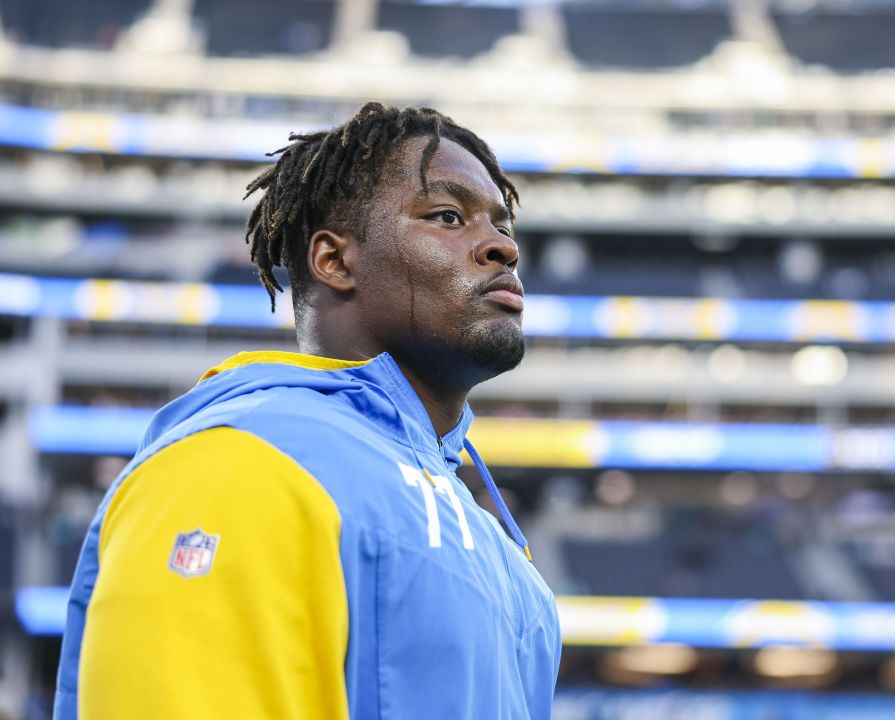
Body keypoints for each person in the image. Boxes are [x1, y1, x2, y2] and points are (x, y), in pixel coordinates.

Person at [52, 102, 561, 719]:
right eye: (448, 217)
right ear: (334, 261)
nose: (501, 248)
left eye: (502, 226)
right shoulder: (241, 461)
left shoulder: (489, 535)